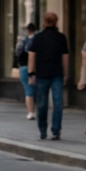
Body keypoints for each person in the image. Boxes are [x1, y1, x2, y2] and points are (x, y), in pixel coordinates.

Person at [27, 12, 70, 140]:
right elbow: (65, 57)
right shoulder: (61, 37)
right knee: (58, 104)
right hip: (57, 73)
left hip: (42, 74)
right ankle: (56, 131)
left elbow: (31, 55)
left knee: (42, 104)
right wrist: (66, 74)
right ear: (56, 22)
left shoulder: (38, 37)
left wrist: (31, 73)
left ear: (44, 22)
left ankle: (42, 130)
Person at [15, 22, 38, 119]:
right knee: (36, 91)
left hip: (24, 67)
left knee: (28, 91)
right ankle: (34, 111)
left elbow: (17, 54)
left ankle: (30, 112)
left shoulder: (22, 41)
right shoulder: (37, 40)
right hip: (36, 68)